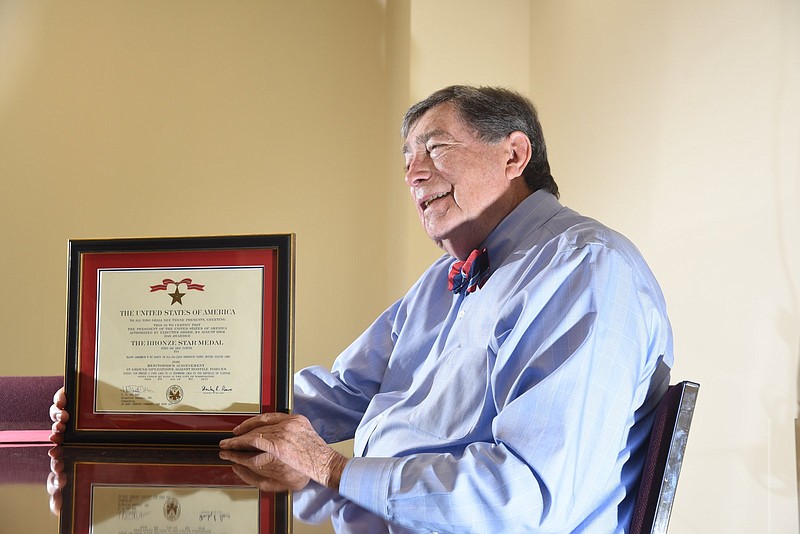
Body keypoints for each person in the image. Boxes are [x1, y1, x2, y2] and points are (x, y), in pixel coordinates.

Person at [51, 85, 674, 532]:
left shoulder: (586, 269)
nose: (413, 173)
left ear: (514, 155)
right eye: (406, 159)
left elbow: (525, 501)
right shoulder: (440, 284)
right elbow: (332, 395)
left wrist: (332, 468)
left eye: (434, 148)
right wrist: (129, 407)